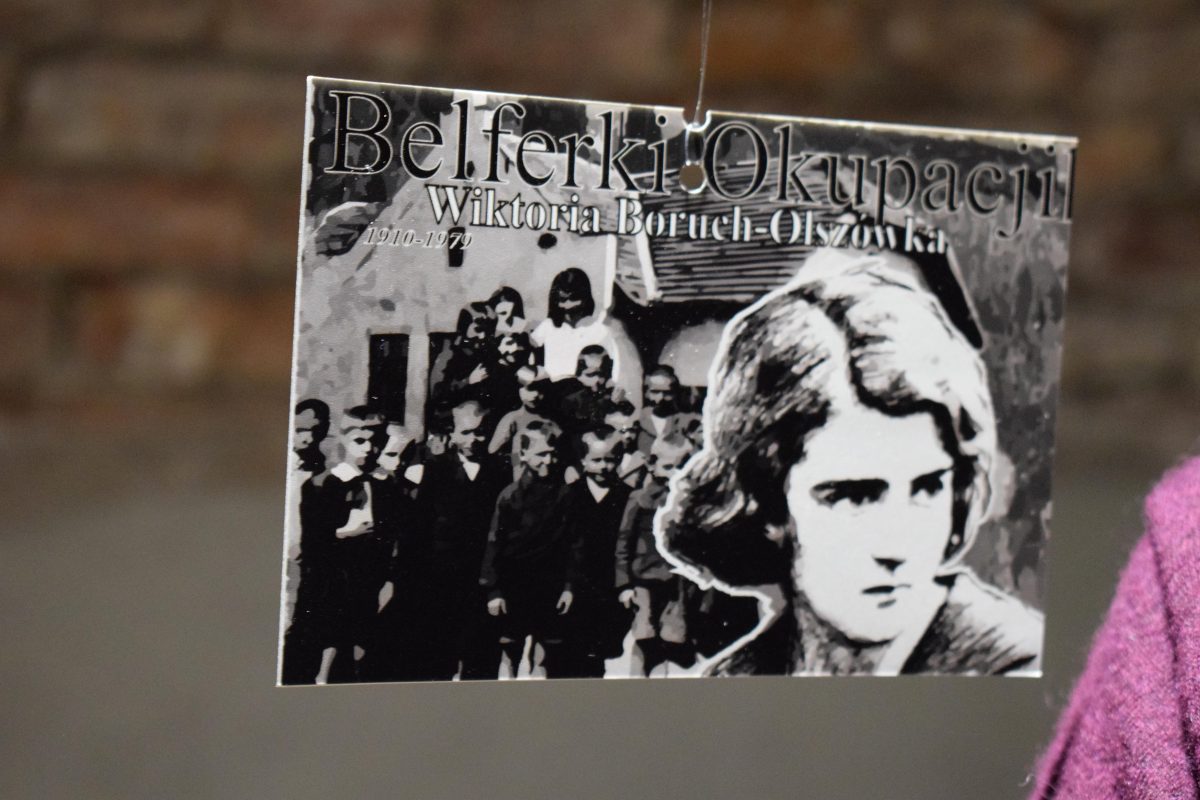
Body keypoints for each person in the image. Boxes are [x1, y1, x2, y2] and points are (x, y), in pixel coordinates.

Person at [657, 250, 1044, 676]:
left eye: (928, 488)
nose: (897, 547)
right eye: (853, 497)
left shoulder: (1018, 667)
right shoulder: (734, 678)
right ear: (767, 506)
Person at [287, 405, 392, 683]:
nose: (368, 449)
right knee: (329, 637)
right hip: (334, 577)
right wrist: (344, 533)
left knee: (362, 637)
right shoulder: (323, 485)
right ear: (344, 439)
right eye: (360, 441)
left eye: (375, 442)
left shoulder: (383, 483)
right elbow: (312, 540)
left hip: (369, 575)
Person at [407, 399, 509, 680]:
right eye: (466, 432)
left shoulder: (499, 471)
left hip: (482, 579)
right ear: (452, 433)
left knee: (481, 657)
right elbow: (420, 529)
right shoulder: (436, 470)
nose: (473, 439)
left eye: (480, 432)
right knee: (439, 656)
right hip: (442, 580)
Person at [480, 421, 575, 678]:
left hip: (550, 584)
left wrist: (568, 587)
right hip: (515, 584)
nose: (549, 461)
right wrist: (493, 590)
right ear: (523, 454)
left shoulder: (564, 495)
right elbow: (494, 544)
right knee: (510, 647)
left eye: (553, 454)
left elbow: (572, 543)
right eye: (541, 454)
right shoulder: (509, 496)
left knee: (545, 652)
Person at [616, 434, 697, 676]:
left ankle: (661, 683)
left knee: (671, 637)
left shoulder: (690, 500)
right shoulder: (639, 499)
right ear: (652, 465)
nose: (675, 474)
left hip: (676, 580)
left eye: (682, 466)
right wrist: (624, 584)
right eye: (668, 467)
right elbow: (624, 541)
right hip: (643, 579)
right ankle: (637, 680)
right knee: (644, 635)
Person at [560, 425, 634, 677]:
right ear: (583, 460)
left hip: (611, 586)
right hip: (577, 586)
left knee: (606, 651)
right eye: (596, 460)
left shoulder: (626, 496)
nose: (603, 466)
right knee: (575, 651)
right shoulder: (570, 495)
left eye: (610, 460)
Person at [531, 268, 642, 401]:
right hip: (554, 394)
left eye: (573, 299)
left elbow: (617, 365)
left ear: (584, 298)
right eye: (562, 299)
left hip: (589, 394)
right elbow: (528, 350)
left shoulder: (600, 328)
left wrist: (615, 386)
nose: (568, 305)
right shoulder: (548, 326)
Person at [488, 368, 554, 479]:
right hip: (521, 473)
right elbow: (492, 449)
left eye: (539, 389)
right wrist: (517, 457)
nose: (535, 395)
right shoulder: (513, 418)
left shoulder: (550, 418)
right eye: (530, 389)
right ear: (520, 390)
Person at [637, 366, 699, 455]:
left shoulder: (689, 420)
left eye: (667, 393)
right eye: (655, 391)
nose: (661, 397)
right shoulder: (643, 420)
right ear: (647, 393)